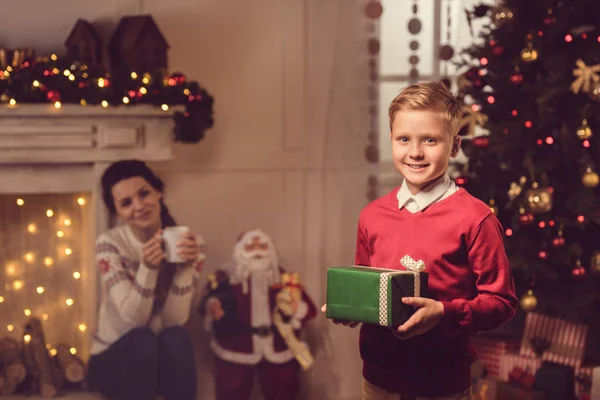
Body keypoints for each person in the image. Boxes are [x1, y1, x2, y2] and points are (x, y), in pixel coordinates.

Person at [323, 81, 518, 400]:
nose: (415, 152)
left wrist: (444, 312)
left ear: (454, 146)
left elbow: (502, 302)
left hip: (442, 386)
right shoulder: (371, 216)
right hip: (377, 382)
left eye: (430, 140)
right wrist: (353, 308)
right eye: (404, 139)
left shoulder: (476, 219)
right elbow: (369, 288)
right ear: (391, 140)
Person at [86, 159, 205, 400]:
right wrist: (148, 268)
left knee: (176, 336)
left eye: (144, 193)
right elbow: (135, 320)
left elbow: (175, 320)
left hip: (158, 359)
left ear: (159, 192)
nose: (139, 206)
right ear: (116, 212)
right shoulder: (109, 244)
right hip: (111, 359)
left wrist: (185, 268)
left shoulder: (189, 244)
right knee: (142, 339)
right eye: (126, 203)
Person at [200, 229, 317, 400]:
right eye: (251, 246)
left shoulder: (285, 279)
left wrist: (297, 307)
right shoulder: (225, 279)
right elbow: (208, 300)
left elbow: (309, 309)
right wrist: (212, 307)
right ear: (239, 251)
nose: (257, 251)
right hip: (236, 346)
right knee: (231, 389)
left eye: (262, 246)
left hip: (278, 346)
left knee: (283, 389)